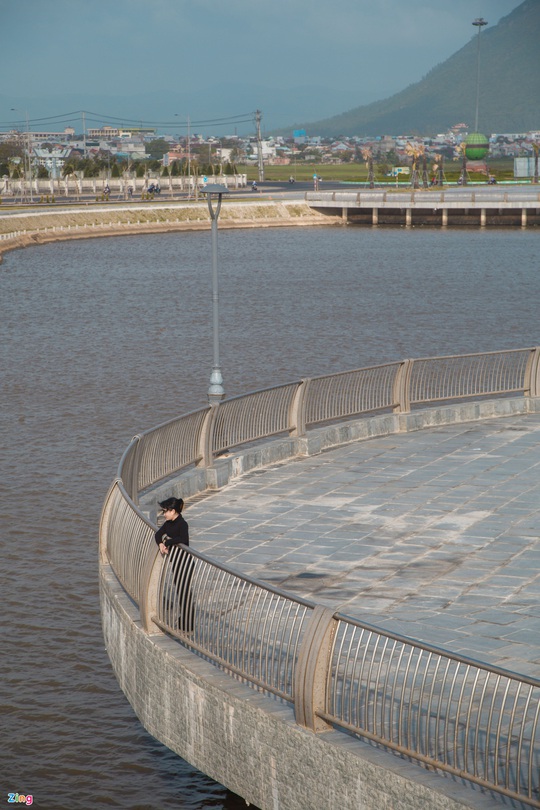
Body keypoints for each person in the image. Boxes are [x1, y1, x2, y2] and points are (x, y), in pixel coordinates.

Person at [155, 497, 194, 631]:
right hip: (176, 562)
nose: (164, 514)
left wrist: (167, 542)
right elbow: (158, 534)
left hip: (185, 563)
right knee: (180, 591)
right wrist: (161, 543)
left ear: (173, 511)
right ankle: (183, 618)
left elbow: (183, 539)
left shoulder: (182, 524)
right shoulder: (168, 523)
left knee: (185, 592)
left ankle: (188, 622)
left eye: (165, 511)